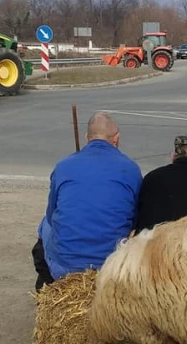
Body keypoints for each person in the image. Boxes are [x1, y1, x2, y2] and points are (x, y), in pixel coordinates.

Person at [32, 111, 142, 291]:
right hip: (112, 265)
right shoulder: (131, 169)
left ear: (86, 138)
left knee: (45, 224)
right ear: (116, 139)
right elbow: (134, 217)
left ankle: (46, 281)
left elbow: (52, 215)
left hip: (65, 267)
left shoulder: (63, 166)